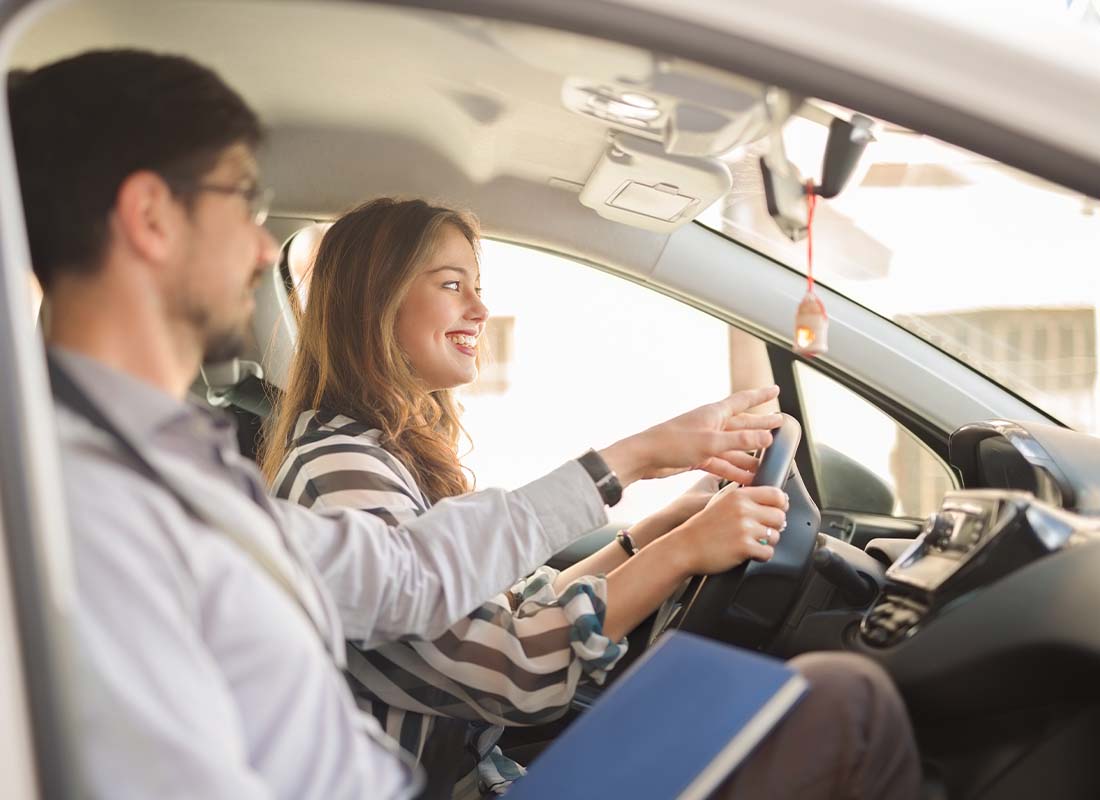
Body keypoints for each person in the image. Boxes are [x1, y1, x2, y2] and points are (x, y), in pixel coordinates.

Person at [8, 49, 920, 800]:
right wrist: (653, 508)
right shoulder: (94, 504)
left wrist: (645, 515)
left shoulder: (177, 466)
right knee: (847, 704)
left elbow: (410, 578)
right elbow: (498, 662)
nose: (259, 247)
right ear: (150, 217)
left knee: (821, 698)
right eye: (240, 200)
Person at [261, 197, 792, 797]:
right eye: (452, 284)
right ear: (373, 302)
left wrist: (663, 527)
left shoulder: (380, 453)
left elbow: (504, 612)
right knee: (822, 703)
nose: (480, 309)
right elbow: (509, 668)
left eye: (476, 286)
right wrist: (684, 550)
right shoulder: (337, 473)